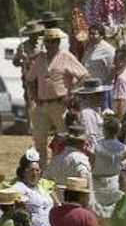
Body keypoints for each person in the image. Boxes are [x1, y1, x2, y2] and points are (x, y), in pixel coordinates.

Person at [26, 28, 89, 165]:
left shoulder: (66, 56)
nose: (50, 44)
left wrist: (71, 92)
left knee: (65, 139)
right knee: (39, 141)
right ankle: (41, 171)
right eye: (48, 41)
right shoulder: (40, 58)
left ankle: (64, 168)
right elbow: (30, 79)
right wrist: (34, 96)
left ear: (58, 42)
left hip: (60, 104)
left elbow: (84, 75)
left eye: (53, 41)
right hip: (42, 104)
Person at [10, 149, 56, 226]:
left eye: (37, 170)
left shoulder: (42, 187)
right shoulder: (18, 188)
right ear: (23, 171)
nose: (34, 174)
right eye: (30, 170)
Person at [92, 115, 126, 222]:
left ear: (104, 130)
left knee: (96, 216)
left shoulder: (97, 146)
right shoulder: (124, 148)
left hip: (97, 184)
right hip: (115, 183)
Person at [44, 128, 92, 202]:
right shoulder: (81, 159)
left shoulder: (57, 158)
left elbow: (45, 178)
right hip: (75, 203)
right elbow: (85, 181)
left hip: (57, 202)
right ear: (82, 144)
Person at [14, 21, 45, 134]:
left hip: (41, 76)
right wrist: (21, 59)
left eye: (36, 34)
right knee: (29, 100)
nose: (34, 36)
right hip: (27, 76)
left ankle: (42, 125)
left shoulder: (43, 45)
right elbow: (15, 62)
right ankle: (31, 127)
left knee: (42, 100)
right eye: (32, 34)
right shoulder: (22, 46)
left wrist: (33, 56)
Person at [81, 24, 116, 109]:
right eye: (90, 34)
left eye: (94, 34)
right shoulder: (88, 47)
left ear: (101, 36)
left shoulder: (108, 50)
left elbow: (113, 69)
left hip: (101, 91)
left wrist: (104, 84)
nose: (91, 36)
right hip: (88, 89)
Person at [75, 78, 112, 147]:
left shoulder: (96, 109)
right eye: (98, 94)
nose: (102, 97)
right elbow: (91, 137)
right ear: (90, 95)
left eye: (102, 94)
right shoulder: (87, 112)